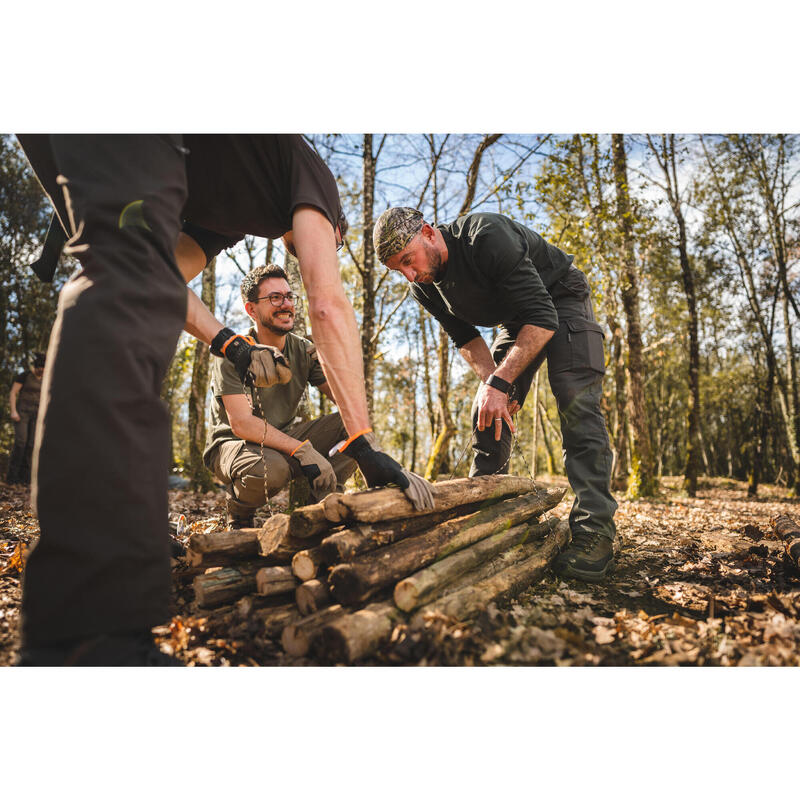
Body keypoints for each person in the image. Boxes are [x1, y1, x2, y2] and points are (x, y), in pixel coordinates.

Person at [15, 135, 432, 667]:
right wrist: (367, 443)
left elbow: (159, 277)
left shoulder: (222, 214)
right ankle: (89, 633)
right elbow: (328, 305)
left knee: (118, 270)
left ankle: (82, 610)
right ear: (332, 225)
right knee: (120, 275)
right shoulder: (313, 182)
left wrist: (225, 339)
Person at [373, 207, 618, 582]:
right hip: (517, 319)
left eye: (408, 260)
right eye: (398, 270)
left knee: (575, 401)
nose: (409, 274)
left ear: (428, 232)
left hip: (560, 298)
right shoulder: (423, 285)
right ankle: (484, 518)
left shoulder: (485, 235)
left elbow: (543, 314)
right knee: (484, 409)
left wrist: (502, 383)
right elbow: (466, 338)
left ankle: (595, 532)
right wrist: (493, 385)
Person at [204, 264, 356, 527]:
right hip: (233, 446)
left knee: (353, 426)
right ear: (251, 309)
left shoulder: (304, 350)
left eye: (288, 297)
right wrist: (302, 450)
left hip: (282, 441)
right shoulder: (233, 352)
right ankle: (239, 513)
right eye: (274, 298)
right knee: (272, 469)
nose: (285, 304)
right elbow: (241, 424)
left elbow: (349, 401)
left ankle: (320, 514)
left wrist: (335, 360)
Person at [6, 352, 45, 485]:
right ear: (36, 367)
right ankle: (12, 478)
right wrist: (13, 411)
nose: (42, 371)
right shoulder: (25, 376)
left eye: (44, 368)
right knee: (21, 443)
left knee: (31, 445)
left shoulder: (46, 379)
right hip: (22, 413)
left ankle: (25, 479)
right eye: (40, 368)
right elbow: (13, 393)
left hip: (36, 414)